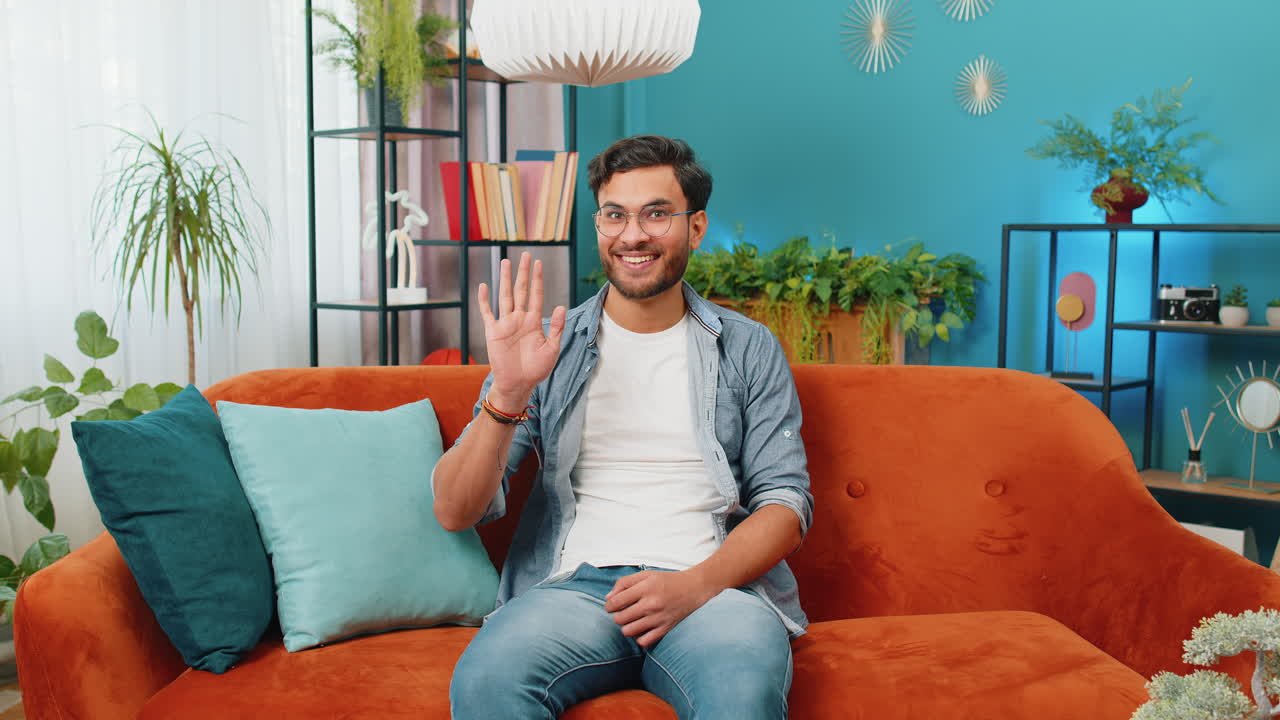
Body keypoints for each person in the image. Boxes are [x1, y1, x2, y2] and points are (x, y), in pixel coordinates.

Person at [433, 135, 813, 720]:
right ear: (600, 224)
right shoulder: (548, 349)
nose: (633, 235)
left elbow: (785, 505)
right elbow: (455, 510)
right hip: (575, 590)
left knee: (742, 697)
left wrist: (694, 585)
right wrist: (509, 391)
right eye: (616, 215)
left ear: (696, 226)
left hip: (713, 593)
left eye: (656, 214)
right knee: (487, 683)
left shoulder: (747, 348)